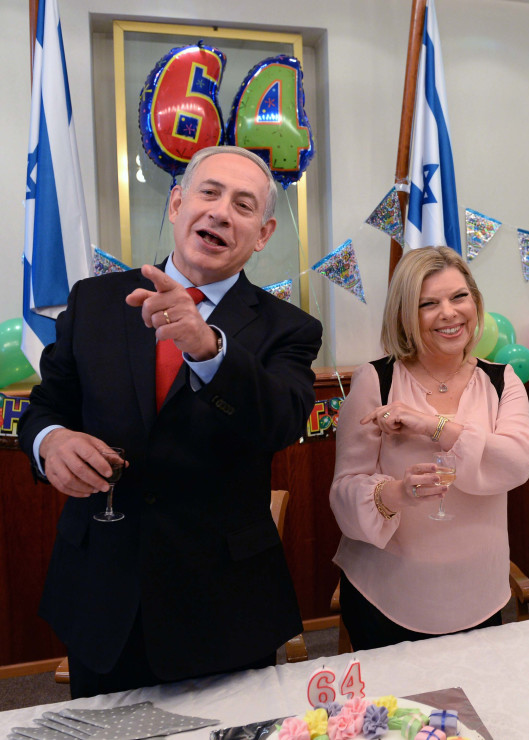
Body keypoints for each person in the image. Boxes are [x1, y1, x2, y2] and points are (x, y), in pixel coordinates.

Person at [18, 145, 322, 698]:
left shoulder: (291, 328)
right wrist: (50, 442)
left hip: (225, 607)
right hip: (103, 595)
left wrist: (209, 348)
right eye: (209, 193)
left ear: (263, 234)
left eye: (243, 205)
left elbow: (281, 423)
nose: (221, 212)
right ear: (178, 204)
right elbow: (45, 408)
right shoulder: (94, 301)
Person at [329, 246, 529, 650]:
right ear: (405, 314)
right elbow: (344, 492)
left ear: (475, 302)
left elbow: (517, 462)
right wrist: (398, 492)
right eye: (428, 304)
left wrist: (433, 425)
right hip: (387, 595)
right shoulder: (376, 381)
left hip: (478, 591)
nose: (449, 312)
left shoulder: (502, 380)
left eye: (459, 297)